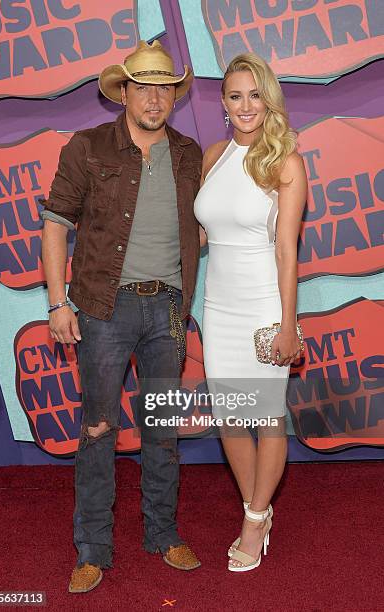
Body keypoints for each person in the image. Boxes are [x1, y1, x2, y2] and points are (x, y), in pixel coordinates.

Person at [40, 40, 203, 593]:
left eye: (164, 88)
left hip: (169, 308)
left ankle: (163, 534)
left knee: (161, 430)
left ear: (174, 97)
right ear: (124, 92)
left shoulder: (188, 153)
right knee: (97, 428)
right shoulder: (86, 148)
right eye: (144, 86)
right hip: (103, 309)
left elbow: (203, 220)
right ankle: (92, 549)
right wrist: (58, 302)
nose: (154, 98)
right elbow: (56, 223)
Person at [194, 52, 307, 572]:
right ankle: (253, 507)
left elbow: (287, 248)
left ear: (269, 101)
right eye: (236, 96)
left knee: (266, 415)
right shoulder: (213, 155)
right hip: (216, 306)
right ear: (223, 102)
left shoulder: (285, 161)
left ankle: (256, 519)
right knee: (231, 416)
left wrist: (288, 322)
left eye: (255, 95)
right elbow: (201, 233)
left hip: (263, 304)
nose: (245, 105)